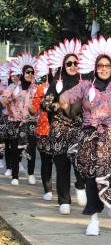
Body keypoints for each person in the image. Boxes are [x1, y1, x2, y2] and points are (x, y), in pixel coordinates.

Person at [60, 36, 111, 236]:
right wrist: (64, 100)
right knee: (92, 179)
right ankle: (93, 220)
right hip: (90, 139)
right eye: (100, 65)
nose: (103, 68)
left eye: (107, 65)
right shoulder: (85, 85)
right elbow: (68, 95)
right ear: (95, 67)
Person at [41, 39, 87, 214]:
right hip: (59, 129)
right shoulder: (56, 83)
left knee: (80, 163)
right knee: (62, 166)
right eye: (69, 63)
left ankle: (80, 184)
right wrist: (57, 106)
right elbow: (44, 105)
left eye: (76, 63)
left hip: (79, 129)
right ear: (64, 65)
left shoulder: (85, 83)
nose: (73, 66)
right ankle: (64, 200)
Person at [1, 53, 39, 186]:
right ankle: (15, 175)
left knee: (32, 150)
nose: (30, 74)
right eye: (27, 72)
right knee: (15, 149)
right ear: (22, 73)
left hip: (30, 123)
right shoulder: (14, 87)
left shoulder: (35, 89)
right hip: (15, 122)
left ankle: (30, 174)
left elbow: (38, 106)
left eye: (32, 72)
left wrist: (35, 109)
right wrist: (5, 100)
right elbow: (4, 98)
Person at [31, 52, 54, 201]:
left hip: (63, 131)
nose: (55, 69)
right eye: (52, 67)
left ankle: (73, 188)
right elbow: (33, 109)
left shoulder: (69, 86)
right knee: (46, 160)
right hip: (44, 129)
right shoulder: (41, 88)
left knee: (62, 162)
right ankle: (48, 189)